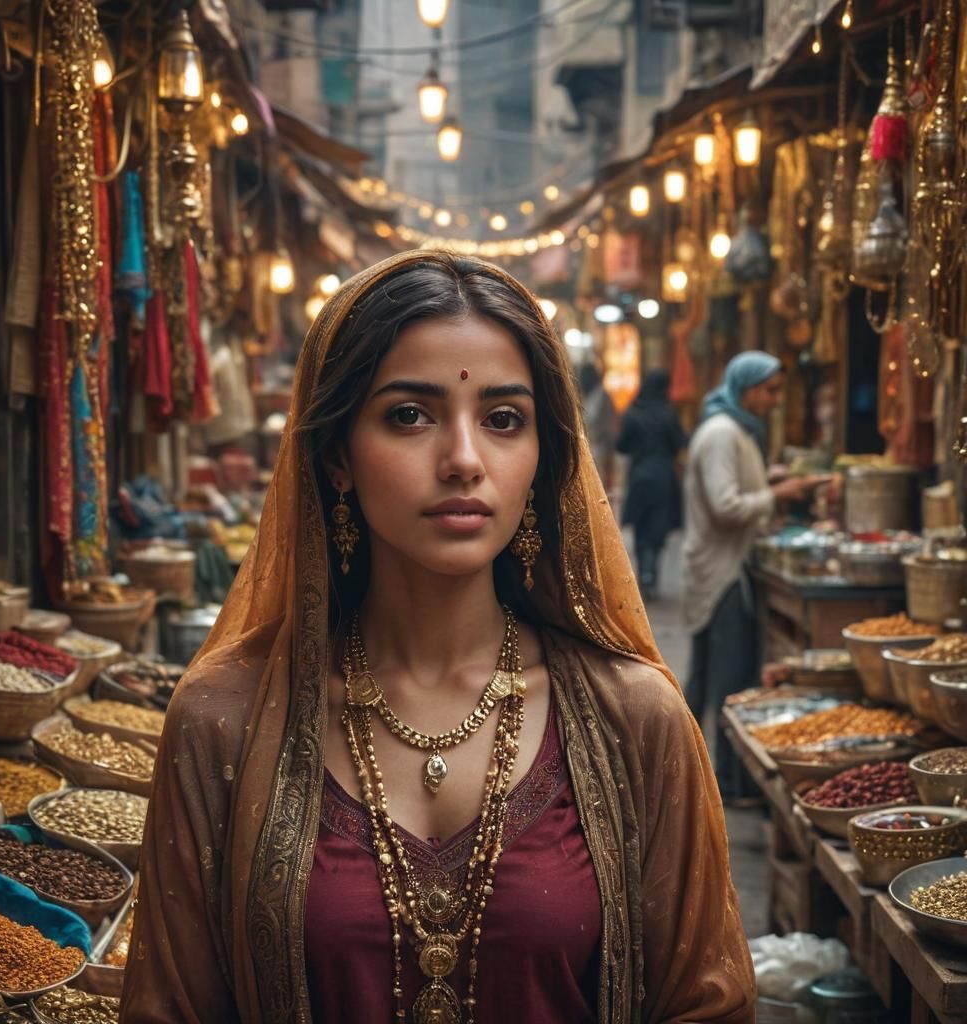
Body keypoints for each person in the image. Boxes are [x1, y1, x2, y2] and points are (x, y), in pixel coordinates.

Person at [122, 251, 755, 1024]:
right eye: (409, 416)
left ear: (541, 459)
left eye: (503, 420)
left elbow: (705, 1003)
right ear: (335, 457)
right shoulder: (224, 721)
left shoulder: (637, 719)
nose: (463, 460)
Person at [681, 351, 820, 803]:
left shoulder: (732, 430)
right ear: (746, 387)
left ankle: (689, 772)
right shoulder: (724, 433)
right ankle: (727, 781)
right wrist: (777, 493)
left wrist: (770, 479)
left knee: (708, 678)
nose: (776, 400)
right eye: (770, 390)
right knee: (726, 678)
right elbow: (727, 506)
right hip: (719, 569)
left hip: (719, 567)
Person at [616, 368, 686, 596]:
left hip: (639, 475)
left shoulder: (633, 413)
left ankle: (645, 572)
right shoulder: (668, 414)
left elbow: (622, 445)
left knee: (641, 525)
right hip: (663, 475)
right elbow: (680, 443)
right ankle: (649, 572)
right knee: (657, 526)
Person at [577, 360, 617, 490]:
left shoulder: (602, 397)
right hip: (588, 449)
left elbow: (608, 428)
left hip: (600, 450)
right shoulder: (586, 396)